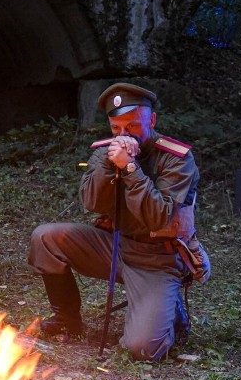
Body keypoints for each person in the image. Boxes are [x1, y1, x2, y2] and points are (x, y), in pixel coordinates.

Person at [27, 83, 210, 361]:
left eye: (133, 126)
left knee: (143, 349)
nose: (123, 136)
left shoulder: (176, 160)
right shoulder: (105, 152)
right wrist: (110, 165)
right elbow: (91, 202)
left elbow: (158, 216)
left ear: (152, 120)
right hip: (117, 246)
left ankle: (171, 313)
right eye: (116, 128)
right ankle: (67, 319)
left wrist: (131, 168)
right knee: (45, 238)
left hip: (157, 259)